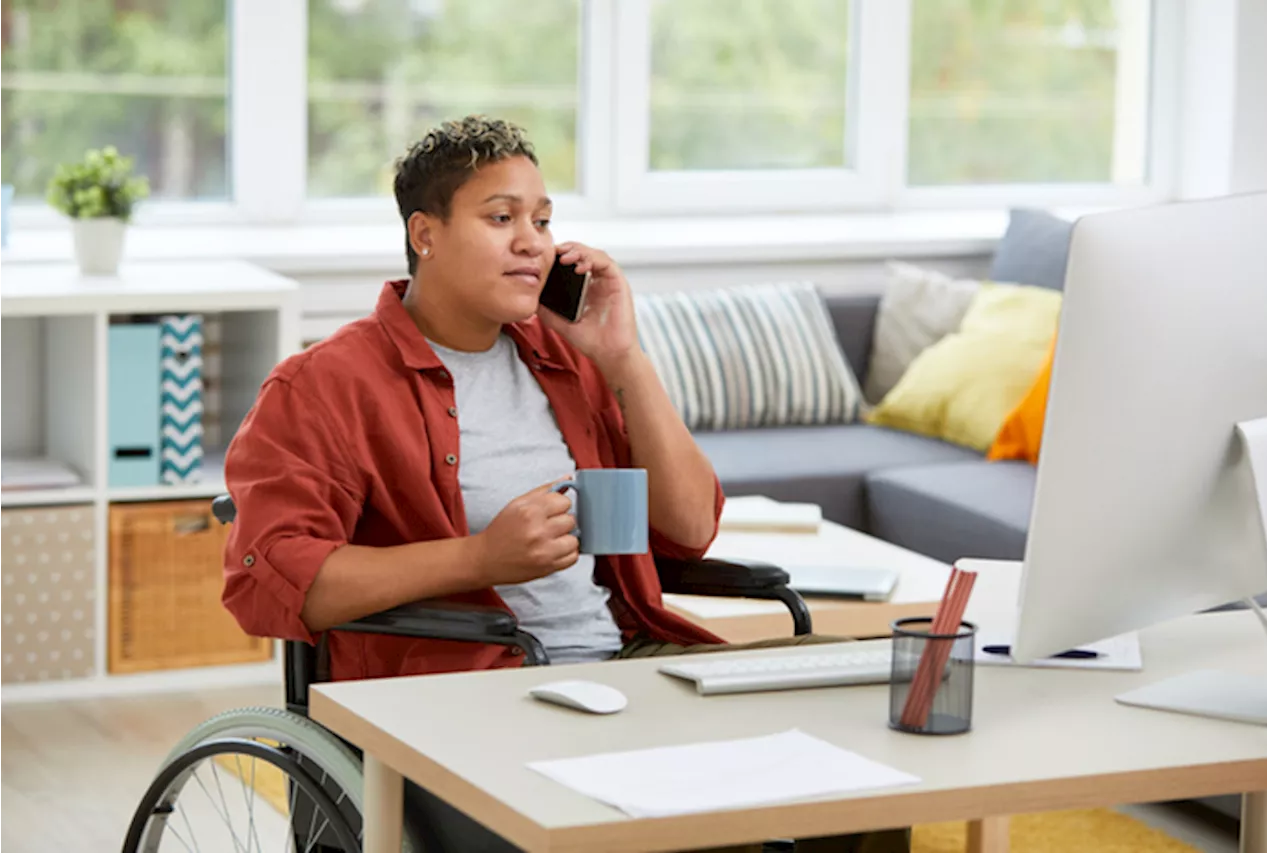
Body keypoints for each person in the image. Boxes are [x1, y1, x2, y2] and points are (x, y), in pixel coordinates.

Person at [221, 115, 909, 853]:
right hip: (462, 693)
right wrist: (480, 559)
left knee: (860, 703)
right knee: (720, 823)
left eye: (543, 220)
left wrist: (625, 359)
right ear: (425, 234)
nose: (532, 241)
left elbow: (686, 528)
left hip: (623, 666)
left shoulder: (564, 359)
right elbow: (270, 582)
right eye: (501, 217)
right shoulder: (324, 384)